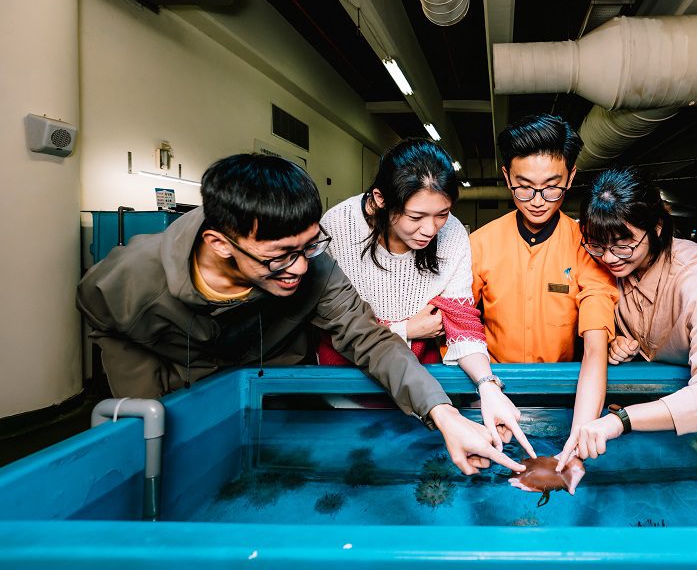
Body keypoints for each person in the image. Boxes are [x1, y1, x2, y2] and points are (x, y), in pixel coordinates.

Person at [77, 153, 525, 476]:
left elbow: (368, 338)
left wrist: (445, 415)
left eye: (310, 245)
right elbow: (101, 316)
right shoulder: (129, 277)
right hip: (180, 379)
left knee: (275, 473)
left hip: (276, 380)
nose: (301, 268)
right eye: (280, 256)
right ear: (219, 244)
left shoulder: (314, 264)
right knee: (165, 462)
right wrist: (144, 399)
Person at [319, 138, 535, 457]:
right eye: (416, 216)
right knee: (357, 453)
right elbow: (340, 325)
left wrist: (488, 386)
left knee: (421, 455)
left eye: (442, 214)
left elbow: (462, 323)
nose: (430, 229)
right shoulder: (338, 227)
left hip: (423, 378)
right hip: (348, 373)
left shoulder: (453, 236)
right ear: (380, 199)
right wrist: (406, 328)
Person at [556, 168, 697, 472]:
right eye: (597, 245)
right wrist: (616, 342)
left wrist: (622, 420)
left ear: (656, 228)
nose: (610, 258)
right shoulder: (607, 267)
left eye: (623, 245)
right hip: (656, 403)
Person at [470, 113, 618, 459]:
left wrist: (582, 433)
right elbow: (460, 326)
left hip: (562, 396)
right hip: (492, 392)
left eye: (552, 187)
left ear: (571, 178)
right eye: (524, 186)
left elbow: (596, 347)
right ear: (506, 177)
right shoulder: (481, 244)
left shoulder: (587, 247)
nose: (537, 199)